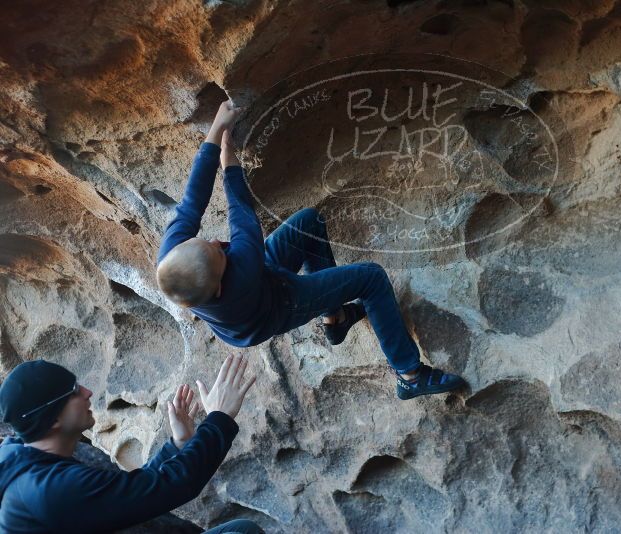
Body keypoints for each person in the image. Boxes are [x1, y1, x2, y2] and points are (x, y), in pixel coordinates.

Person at [156, 100, 466, 400]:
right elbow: (240, 211)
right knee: (371, 278)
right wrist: (228, 158)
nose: (213, 243)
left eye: (202, 241)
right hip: (279, 305)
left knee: (308, 222)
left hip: (261, 285)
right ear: (221, 283)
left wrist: (216, 130)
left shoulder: (172, 267)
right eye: (218, 253)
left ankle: (336, 317)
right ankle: (410, 375)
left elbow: (191, 203)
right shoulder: (241, 273)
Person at [0, 355, 261, 533]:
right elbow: (173, 486)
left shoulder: (30, 465)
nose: (87, 392)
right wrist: (220, 417)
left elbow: (137, 489)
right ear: (53, 418)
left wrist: (179, 443)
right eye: (74, 390)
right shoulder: (51, 490)